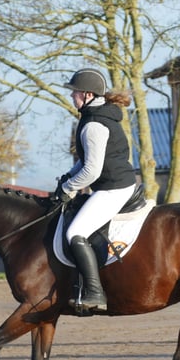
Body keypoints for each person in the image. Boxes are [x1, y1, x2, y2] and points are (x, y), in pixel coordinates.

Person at [55, 68, 137, 312]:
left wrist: (69, 188)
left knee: (75, 233)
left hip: (113, 188)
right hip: (112, 183)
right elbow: (86, 161)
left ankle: (95, 292)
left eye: (75, 93)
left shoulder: (94, 125)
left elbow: (92, 171)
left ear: (88, 95)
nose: (73, 97)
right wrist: (68, 177)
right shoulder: (98, 117)